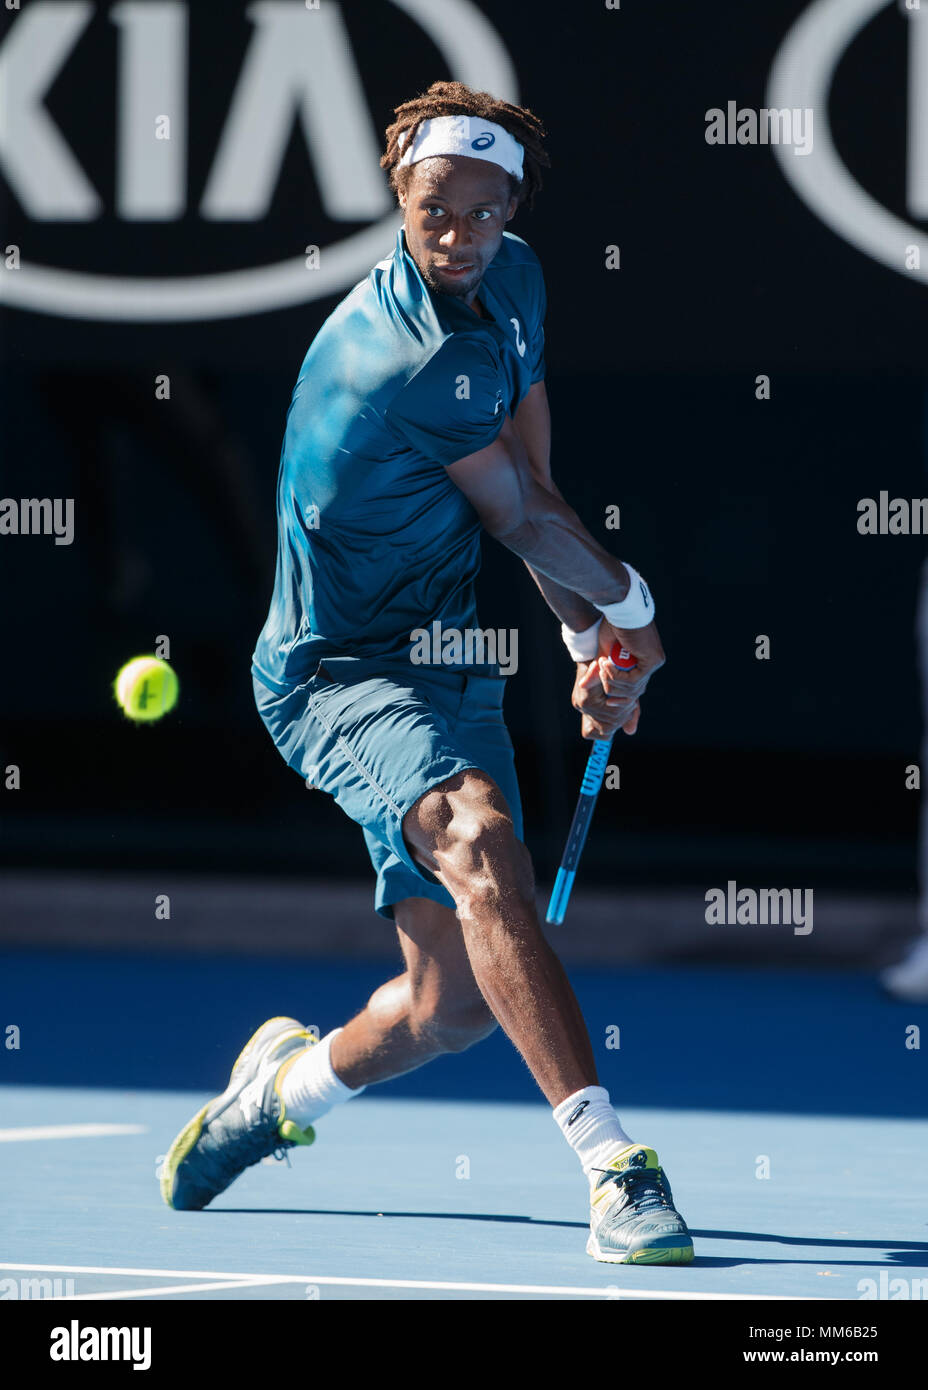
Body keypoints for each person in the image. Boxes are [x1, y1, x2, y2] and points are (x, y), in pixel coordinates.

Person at [159, 81, 693, 1266]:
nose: (455, 237)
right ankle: (613, 1164)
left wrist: (586, 643)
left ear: (513, 207)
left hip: (446, 653)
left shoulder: (516, 282)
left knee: (451, 1004)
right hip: (335, 674)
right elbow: (521, 521)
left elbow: (534, 496)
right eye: (430, 211)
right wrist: (635, 618)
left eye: (481, 214)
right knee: (476, 839)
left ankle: (278, 1095)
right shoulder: (407, 350)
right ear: (398, 196)